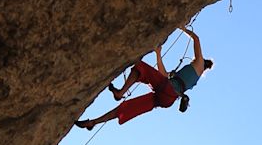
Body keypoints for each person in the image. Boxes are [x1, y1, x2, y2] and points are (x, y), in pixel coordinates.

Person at [76, 26, 212, 129]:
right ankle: (93, 122)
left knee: (140, 67)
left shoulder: (199, 63)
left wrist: (181, 27)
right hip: (166, 99)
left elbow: (196, 39)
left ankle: (120, 93)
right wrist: (158, 55)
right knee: (127, 107)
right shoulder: (192, 79)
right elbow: (163, 76)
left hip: (167, 90)